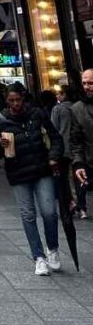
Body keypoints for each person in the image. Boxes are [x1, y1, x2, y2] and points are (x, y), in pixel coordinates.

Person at [0, 83, 64, 276]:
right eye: (11, 101)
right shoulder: (0, 121)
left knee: (49, 212)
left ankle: (53, 249)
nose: (15, 104)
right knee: (28, 214)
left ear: (24, 98)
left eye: (18, 100)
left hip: (41, 169)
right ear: (6, 101)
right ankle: (38, 256)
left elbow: (55, 137)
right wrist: (0, 144)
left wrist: (54, 157)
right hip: (18, 173)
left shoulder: (37, 115)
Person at [53, 86, 83, 218]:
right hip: (79, 148)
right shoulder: (78, 107)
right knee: (79, 177)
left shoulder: (58, 109)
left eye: (59, 93)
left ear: (64, 95)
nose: (57, 96)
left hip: (63, 148)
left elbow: (54, 129)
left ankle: (71, 201)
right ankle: (82, 206)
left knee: (64, 177)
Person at [70, 70, 93, 220]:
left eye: (90, 83)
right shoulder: (77, 109)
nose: (86, 87)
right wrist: (78, 163)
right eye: (84, 83)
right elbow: (76, 140)